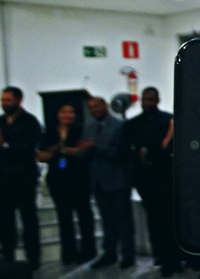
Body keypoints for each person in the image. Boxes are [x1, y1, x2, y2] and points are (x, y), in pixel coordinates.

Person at [122, 87, 181, 276]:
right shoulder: (133, 124)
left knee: (169, 219)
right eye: (144, 99)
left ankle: (174, 258)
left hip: (166, 178)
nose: (146, 103)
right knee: (154, 220)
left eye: (150, 99)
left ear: (157, 100)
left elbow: (173, 147)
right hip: (145, 180)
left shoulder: (168, 120)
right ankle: (161, 256)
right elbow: (127, 151)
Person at [38, 104, 96, 265]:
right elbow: (42, 155)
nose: (67, 115)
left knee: (84, 215)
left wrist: (67, 151)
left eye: (71, 112)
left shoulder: (82, 130)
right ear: (58, 114)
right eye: (64, 112)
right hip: (58, 178)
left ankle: (88, 251)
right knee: (64, 217)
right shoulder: (49, 132)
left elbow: (85, 151)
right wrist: (58, 149)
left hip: (79, 178)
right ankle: (69, 253)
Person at [81, 96, 135, 269]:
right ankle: (109, 253)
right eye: (90, 107)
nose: (93, 110)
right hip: (98, 181)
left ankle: (127, 254)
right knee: (107, 220)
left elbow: (123, 152)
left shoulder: (120, 125)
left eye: (96, 106)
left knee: (123, 219)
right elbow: (86, 153)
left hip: (117, 180)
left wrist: (96, 147)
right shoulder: (89, 126)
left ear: (104, 105)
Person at [0, 87, 42, 269]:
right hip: (3, 178)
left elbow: (30, 147)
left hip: (24, 177)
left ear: (18, 100)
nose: (4, 104)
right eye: (2, 100)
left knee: (29, 218)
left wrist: (6, 146)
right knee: (5, 220)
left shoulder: (30, 121)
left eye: (8, 100)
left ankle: (33, 257)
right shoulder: (1, 121)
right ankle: (8, 255)